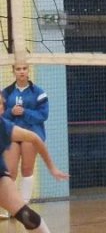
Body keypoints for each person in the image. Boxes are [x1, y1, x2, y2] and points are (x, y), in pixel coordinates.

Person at [0, 93, 68, 232]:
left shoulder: (4, 127)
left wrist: (52, 167)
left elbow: (35, 138)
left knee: (28, 217)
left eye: (0, 104)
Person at [2, 63, 49, 205]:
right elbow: (1, 115)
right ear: (13, 71)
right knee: (10, 172)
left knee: (27, 169)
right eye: (18, 69)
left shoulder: (39, 92)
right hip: (12, 134)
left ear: (29, 70)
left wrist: (25, 112)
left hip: (31, 133)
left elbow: (43, 115)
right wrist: (11, 112)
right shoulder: (6, 93)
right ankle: (10, 205)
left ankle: (23, 206)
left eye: (24, 68)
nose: (22, 72)